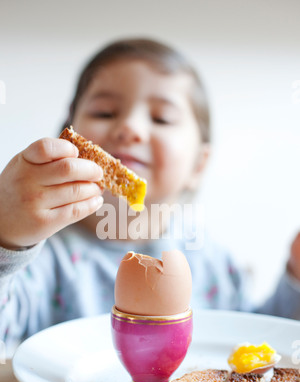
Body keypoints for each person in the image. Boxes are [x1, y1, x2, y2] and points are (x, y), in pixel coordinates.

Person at [0, 38, 299, 356]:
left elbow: (255, 347)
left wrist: (296, 279)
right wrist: (8, 239)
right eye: (105, 112)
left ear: (198, 164)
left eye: (161, 119)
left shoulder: (210, 261)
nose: (129, 127)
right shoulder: (43, 260)